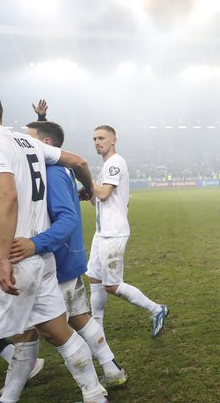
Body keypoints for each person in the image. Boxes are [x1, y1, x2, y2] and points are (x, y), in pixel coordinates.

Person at [0, 89, 108, 403]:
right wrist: (88, 188)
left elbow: (6, 196)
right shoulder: (26, 141)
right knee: (56, 331)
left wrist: (3, 259)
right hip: (40, 260)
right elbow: (78, 160)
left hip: (10, 256)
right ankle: (95, 394)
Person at [7, 121, 128, 387]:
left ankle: (91, 389)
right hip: (66, 256)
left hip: (56, 260)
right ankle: (111, 368)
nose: (25, 143)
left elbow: (68, 217)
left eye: (31, 139)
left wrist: (35, 244)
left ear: (45, 145)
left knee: (33, 330)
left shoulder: (52, 172)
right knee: (78, 317)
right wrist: (41, 116)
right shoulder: (54, 169)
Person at [87, 125, 168, 337]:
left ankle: (157, 309)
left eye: (102, 138)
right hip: (101, 232)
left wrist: (85, 178)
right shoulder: (105, 166)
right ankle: (97, 330)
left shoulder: (115, 162)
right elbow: (96, 199)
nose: (97, 142)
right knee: (94, 279)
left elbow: (104, 193)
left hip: (113, 233)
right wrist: (87, 191)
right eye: (94, 138)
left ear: (114, 140)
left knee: (112, 285)